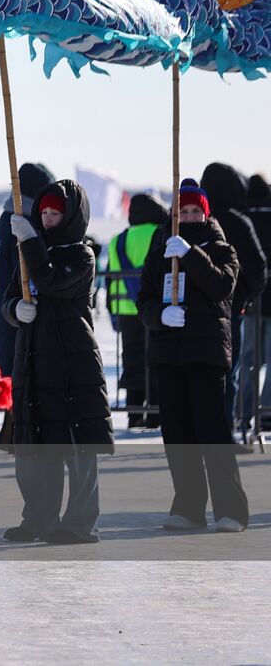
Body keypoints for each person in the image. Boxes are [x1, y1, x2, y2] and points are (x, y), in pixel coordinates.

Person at [1, 180, 112, 545]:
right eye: (43, 213)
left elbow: (49, 280)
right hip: (34, 361)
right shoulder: (28, 254)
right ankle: (38, 519)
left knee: (77, 448)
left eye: (55, 214)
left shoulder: (81, 255)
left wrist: (30, 240)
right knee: (36, 448)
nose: (47, 219)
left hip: (71, 363)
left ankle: (79, 522)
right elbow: (9, 298)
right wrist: (16, 309)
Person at [137, 178, 250, 532]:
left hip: (205, 352)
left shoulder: (221, 249)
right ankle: (188, 506)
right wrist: (158, 316)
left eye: (193, 211)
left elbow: (222, 286)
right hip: (169, 353)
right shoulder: (160, 251)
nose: (187, 216)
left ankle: (231, 508)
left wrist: (190, 254)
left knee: (212, 431)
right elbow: (145, 299)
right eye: (181, 211)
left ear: (205, 212)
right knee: (178, 434)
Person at [201, 163, 269, 430]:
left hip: (192, 313)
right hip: (233, 310)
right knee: (231, 372)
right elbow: (257, 268)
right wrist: (245, 298)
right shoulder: (238, 222)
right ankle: (227, 428)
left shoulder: (193, 221)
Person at [106, 192, 169, 428]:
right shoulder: (160, 233)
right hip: (153, 308)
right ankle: (154, 414)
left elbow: (111, 279)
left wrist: (111, 310)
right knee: (154, 360)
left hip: (125, 311)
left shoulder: (117, 240)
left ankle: (133, 412)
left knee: (131, 360)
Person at [0, 162, 56, 377]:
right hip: (20, 311)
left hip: (10, 308)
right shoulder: (22, 221)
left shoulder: (11, 216)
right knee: (19, 375)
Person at [244, 174, 271, 426]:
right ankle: (267, 412)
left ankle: (241, 412)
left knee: (249, 359)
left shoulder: (245, 220)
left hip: (251, 299)